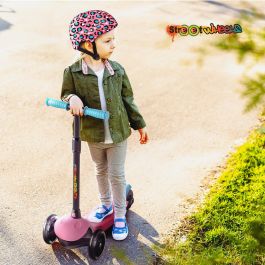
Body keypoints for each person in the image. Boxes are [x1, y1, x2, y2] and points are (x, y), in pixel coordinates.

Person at [60, 10, 149, 241]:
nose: (113, 45)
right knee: (100, 170)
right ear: (89, 44)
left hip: (118, 133)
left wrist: (139, 124)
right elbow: (66, 94)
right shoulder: (73, 72)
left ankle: (119, 214)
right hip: (93, 134)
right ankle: (106, 204)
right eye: (107, 40)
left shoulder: (117, 70)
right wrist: (72, 99)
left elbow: (128, 100)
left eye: (113, 39)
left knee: (117, 175)